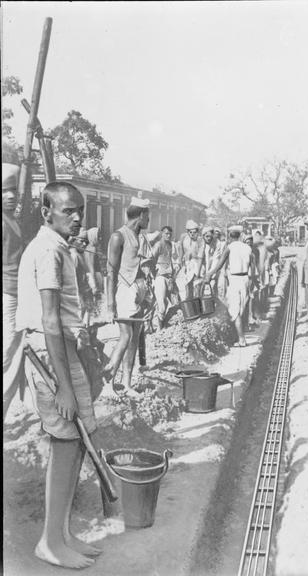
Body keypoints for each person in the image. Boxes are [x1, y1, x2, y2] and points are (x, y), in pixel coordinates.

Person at [16, 181, 101, 569]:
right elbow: (49, 321)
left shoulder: (61, 247)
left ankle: (63, 534)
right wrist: (65, 387)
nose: (78, 216)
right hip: (51, 355)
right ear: (47, 212)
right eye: (69, 210)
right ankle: (49, 542)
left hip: (65, 349)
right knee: (66, 441)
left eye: (79, 209)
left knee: (78, 440)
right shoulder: (47, 249)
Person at [105, 197, 153, 391]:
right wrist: (110, 306)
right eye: (147, 216)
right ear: (141, 215)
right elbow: (110, 272)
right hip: (124, 291)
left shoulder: (139, 237)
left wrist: (148, 295)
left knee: (134, 339)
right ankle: (108, 384)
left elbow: (137, 267)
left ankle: (127, 384)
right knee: (125, 337)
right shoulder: (119, 236)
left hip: (138, 290)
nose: (149, 221)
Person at [205, 225, 255, 347]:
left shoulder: (229, 248)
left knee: (234, 310)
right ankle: (239, 335)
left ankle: (241, 339)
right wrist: (251, 281)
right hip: (245, 279)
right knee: (241, 308)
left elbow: (219, 264)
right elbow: (253, 268)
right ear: (239, 236)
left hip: (235, 279)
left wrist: (209, 275)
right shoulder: (248, 248)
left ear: (229, 236)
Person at [3, 163, 25, 420]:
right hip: (6, 291)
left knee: (14, 345)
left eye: (12, 191)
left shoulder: (12, 221)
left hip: (14, 289)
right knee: (8, 345)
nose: (10, 196)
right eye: (4, 191)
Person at [152, 225, 180, 329]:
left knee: (177, 303)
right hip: (160, 277)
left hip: (170, 278)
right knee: (161, 305)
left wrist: (174, 275)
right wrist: (155, 272)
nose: (168, 235)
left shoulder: (172, 245)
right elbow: (151, 259)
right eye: (166, 233)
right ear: (162, 233)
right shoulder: (158, 245)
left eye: (170, 234)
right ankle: (159, 327)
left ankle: (166, 324)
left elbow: (176, 261)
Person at [177, 219, 204, 300]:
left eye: (194, 232)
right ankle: (189, 305)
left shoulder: (200, 241)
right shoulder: (184, 237)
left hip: (197, 264)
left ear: (197, 232)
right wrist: (180, 260)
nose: (192, 234)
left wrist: (198, 272)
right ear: (187, 232)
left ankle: (198, 305)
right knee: (187, 287)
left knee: (197, 286)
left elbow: (200, 258)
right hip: (187, 264)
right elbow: (181, 249)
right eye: (190, 232)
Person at [201, 225, 222, 297]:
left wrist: (209, 274)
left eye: (210, 236)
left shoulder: (217, 243)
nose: (209, 238)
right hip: (201, 268)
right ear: (203, 236)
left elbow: (216, 260)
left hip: (213, 270)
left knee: (212, 287)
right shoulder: (200, 242)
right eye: (207, 236)